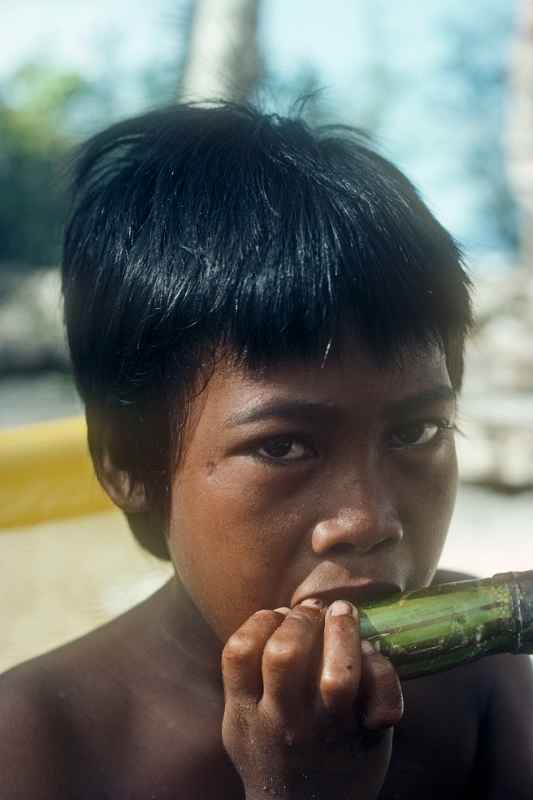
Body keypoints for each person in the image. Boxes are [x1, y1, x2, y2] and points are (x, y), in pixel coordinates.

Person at [1, 102, 532, 800]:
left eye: (415, 433)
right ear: (125, 465)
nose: (367, 519)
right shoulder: (35, 750)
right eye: (282, 446)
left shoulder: (481, 686)